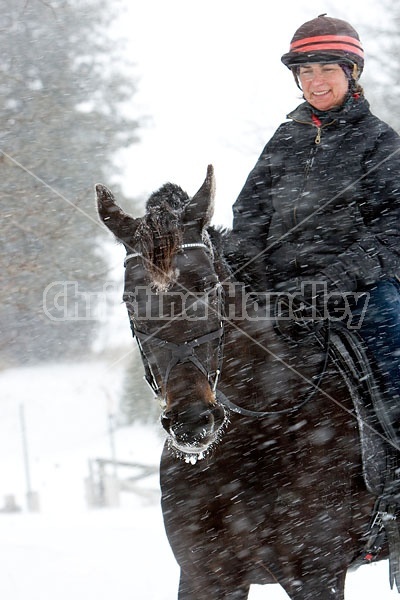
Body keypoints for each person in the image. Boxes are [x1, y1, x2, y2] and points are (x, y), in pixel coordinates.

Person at [230, 15, 400, 462]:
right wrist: (251, 274)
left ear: (351, 72)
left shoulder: (380, 142)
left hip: (357, 291)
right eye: (306, 71)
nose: (315, 81)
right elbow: (248, 214)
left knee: (391, 326)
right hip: (280, 290)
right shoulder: (284, 139)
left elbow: (393, 225)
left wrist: (334, 279)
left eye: (326, 69)